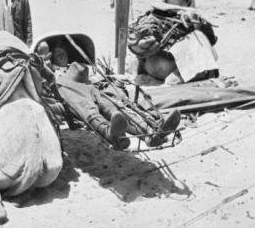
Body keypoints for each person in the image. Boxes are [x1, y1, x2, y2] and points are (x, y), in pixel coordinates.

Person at [36, 41, 181, 150]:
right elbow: (45, 82)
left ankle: (150, 133)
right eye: (58, 55)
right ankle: (111, 134)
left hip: (90, 85)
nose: (62, 57)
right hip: (68, 89)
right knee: (88, 108)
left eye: (63, 53)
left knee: (115, 108)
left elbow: (95, 75)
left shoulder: (76, 64)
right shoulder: (52, 71)